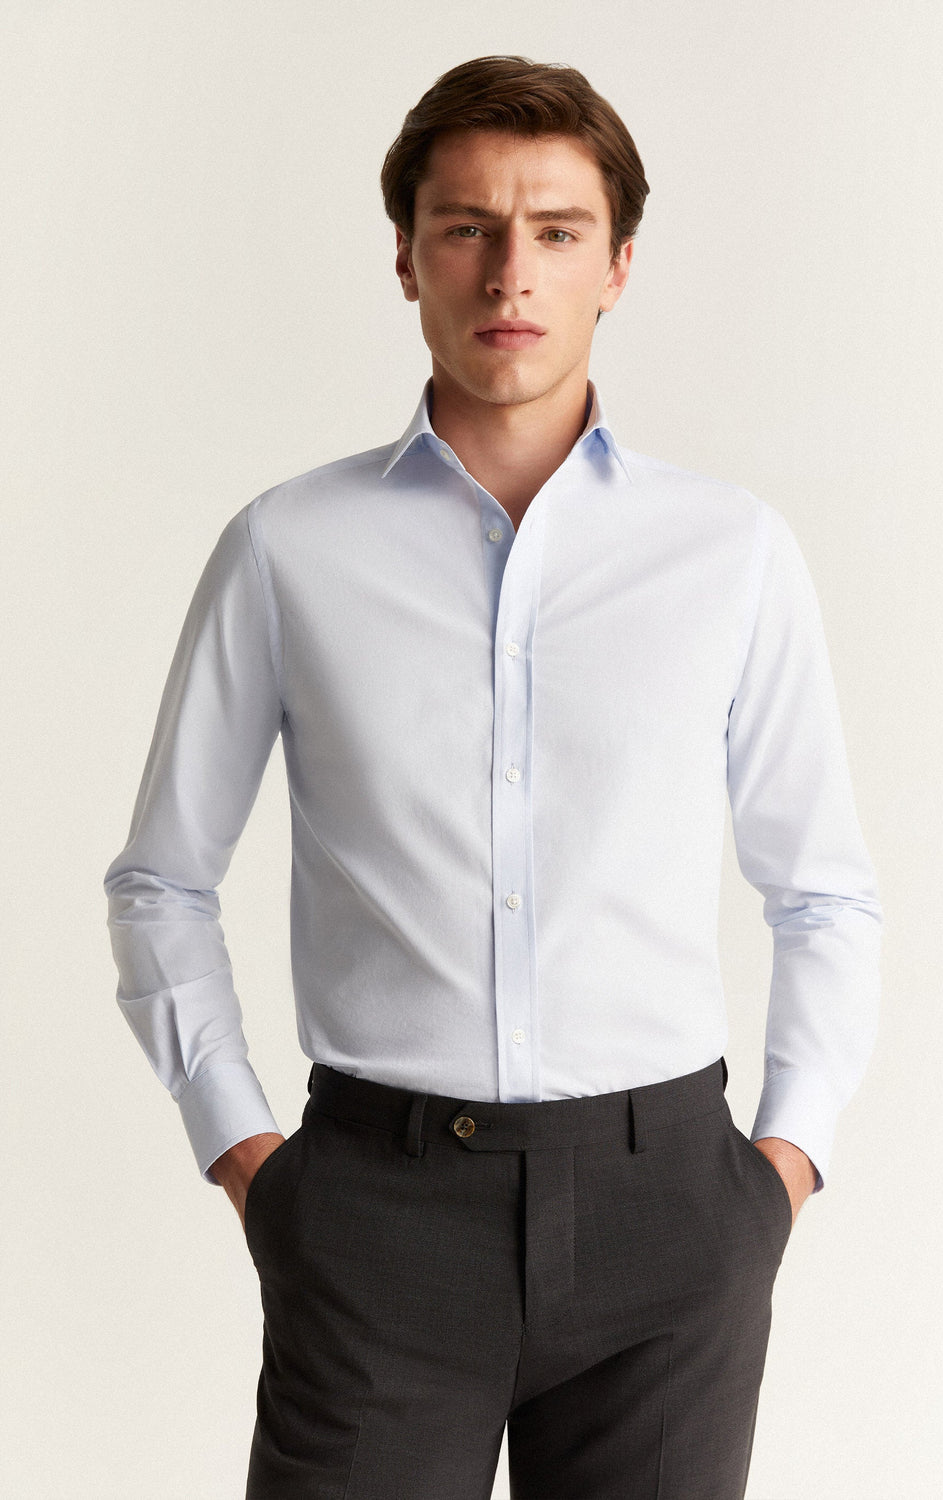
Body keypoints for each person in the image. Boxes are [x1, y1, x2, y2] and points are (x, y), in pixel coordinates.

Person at [104, 55, 881, 1500]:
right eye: (466, 227)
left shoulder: (729, 554)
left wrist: (779, 1171)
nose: (509, 271)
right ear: (407, 258)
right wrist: (252, 1160)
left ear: (618, 265)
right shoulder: (287, 549)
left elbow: (822, 890)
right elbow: (161, 880)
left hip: (670, 1218)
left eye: (556, 231)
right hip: (374, 1216)